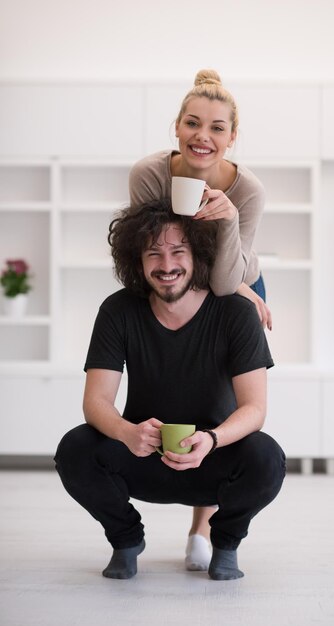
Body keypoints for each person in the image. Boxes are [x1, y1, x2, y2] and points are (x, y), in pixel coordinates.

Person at [54, 200, 286, 581]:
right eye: (153, 254)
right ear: (137, 261)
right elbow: (95, 402)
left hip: (212, 457)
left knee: (267, 458)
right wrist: (127, 432)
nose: (166, 265)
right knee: (75, 449)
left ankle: (224, 543)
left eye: (178, 251)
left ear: (199, 255)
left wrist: (212, 439)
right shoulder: (118, 311)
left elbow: (255, 409)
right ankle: (126, 539)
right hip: (142, 455)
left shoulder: (235, 313)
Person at [129, 68, 272, 570]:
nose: (202, 136)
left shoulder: (247, 189)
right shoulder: (150, 174)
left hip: (233, 280)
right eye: (192, 123)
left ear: (232, 138)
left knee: (220, 402)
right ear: (177, 126)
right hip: (178, 277)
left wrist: (228, 221)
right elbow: (142, 249)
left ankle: (202, 525)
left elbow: (228, 275)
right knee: (180, 391)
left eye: (216, 128)